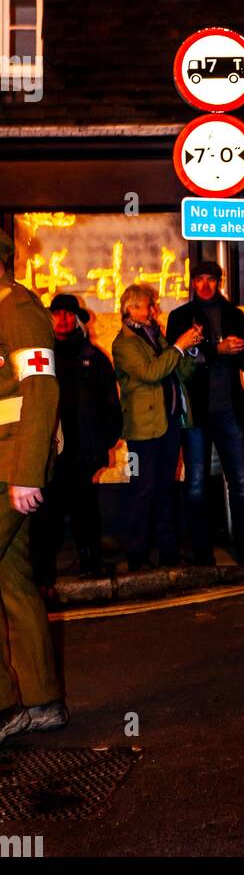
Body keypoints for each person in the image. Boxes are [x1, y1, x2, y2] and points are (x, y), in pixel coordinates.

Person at [0, 227, 69, 746]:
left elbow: (40, 387)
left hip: (9, 467)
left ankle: (8, 704)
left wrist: (27, 473)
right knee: (15, 584)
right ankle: (40, 702)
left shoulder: (19, 309)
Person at [166, 261, 244, 565]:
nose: (206, 285)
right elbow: (176, 358)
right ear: (192, 283)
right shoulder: (180, 316)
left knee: (241, 481)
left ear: (219, 282)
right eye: (200, 280)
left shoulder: (235, 315)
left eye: (211, 280)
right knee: (195, 482)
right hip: (196, 410)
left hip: (229, 409)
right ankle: (201, 553)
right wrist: (215, 350)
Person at [30, 294, 122, 590]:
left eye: (69, 314)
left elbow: (110, 404)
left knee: (86, 511)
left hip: (83, 452)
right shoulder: (40, 357)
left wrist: (104, 443)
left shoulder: (93, 357)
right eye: (57, 314)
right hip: (49, 454)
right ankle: (43, 573)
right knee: (47, 516)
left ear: (77, 319)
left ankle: (91, 563)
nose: (63, 319)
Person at [112, 284, 201, 572]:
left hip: (169, 422)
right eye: (149, 305)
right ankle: (137, 556)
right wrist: (177, 347)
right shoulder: (124, 343)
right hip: (142, 431)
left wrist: (190, 350)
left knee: (165, 489)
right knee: (142, 490)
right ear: (132, 308)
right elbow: (151, 374)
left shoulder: (155, 335)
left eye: (152, 305)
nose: (154, 310)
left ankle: (168, 552)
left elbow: (179, 371)